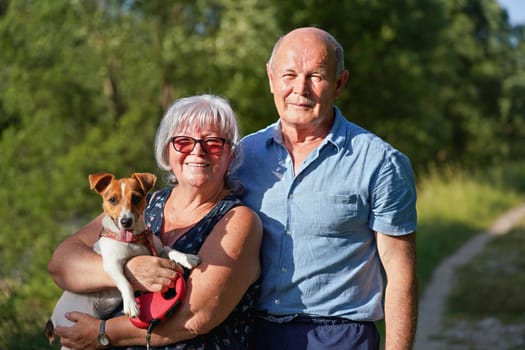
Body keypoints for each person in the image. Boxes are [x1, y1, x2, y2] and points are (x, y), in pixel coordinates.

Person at [231, 27, 418, 350]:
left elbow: (401, 277)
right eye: (289, 75)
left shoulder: (381, 163)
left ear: (339, 83)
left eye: (315, 76)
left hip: (340, 337)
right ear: (271, 78)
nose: (300, 89)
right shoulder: (241, 157)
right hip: (252, 334)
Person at [47, 94, 263, 349]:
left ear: (231, 155)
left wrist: (103, 333)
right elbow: (61, 265)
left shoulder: (238, 220)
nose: (197, 150)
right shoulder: (140, 203)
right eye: (183, 141)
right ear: (166, 151)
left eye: (213, 143)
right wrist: (130, 272)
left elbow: (195, 316)